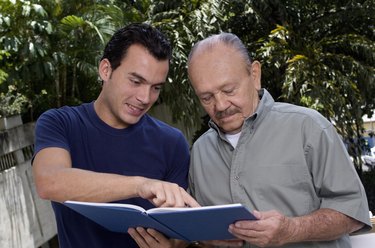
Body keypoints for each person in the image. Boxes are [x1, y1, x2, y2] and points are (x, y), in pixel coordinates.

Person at [186, 32, 372, 247]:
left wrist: (292, 229)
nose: (220, 105)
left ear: (255, 75)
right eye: (206, 98)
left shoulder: (308, 128)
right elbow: (199, 229)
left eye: (229, 90)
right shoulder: (200, 152)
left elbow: (352, 211)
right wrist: (206, 239)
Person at [32, 23, 198, 248]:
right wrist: (140, 185)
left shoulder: (172, 143)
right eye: (136, 81)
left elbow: (179, 229)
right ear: (106, 70)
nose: (145, 97)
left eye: (156, 87)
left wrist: (174, 245)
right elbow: (49, 181)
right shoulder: (60, 123)